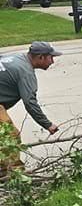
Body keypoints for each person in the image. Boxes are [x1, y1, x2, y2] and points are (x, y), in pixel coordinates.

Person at [0, 41, 63, 174]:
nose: (52, 61)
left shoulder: (16, 58)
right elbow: (30, 103)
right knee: (10, 136)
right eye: (50, 57)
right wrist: (48, 124)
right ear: (40, 57)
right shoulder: (26, 73)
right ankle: (12, 175)